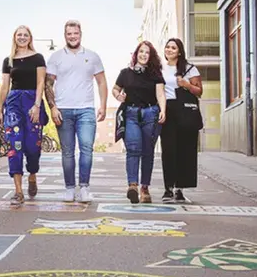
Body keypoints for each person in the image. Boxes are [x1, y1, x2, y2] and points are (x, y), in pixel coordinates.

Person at [45, 20, 108, 203]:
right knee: (67, 151)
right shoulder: (56, 57)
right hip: (63, 110)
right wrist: (53, 108)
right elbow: (48, 84)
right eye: (69, 34)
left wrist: (103, 105)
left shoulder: (92, 56)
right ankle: (70, 188)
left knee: (86, 148)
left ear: (81, 34)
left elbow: (101, 82)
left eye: (75, 33)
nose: (72, 36)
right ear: (65, 35)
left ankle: (85, 187)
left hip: (86, 110)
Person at [0, 26, 48, 205]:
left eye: (25, 35)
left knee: (33, 146)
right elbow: (5, 86)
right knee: (14, 145)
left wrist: (37, 105)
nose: (22, 37)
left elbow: (41, 82)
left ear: (30, 38)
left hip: (32, 101)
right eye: (19, 35)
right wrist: (0, 109)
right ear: (14, 37)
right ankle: (18, 191)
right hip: (13, 103)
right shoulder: (8, 60)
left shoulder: (38, 58)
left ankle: (32, 174)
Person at [112, 41, 166, 204]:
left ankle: (145, 188)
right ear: (136, 54)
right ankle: (133, 186)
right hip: (131, 114)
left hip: (151, 114)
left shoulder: (155, 74)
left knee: (148, 151)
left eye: (147, 52)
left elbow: (160, 94)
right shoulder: (125, 73)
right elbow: (115, 89)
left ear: (151, 56)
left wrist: (163, 110)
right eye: (141, 51)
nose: (144, 55)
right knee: (133, 149)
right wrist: (118, 96)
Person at [160, 38, 203, 203]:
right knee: (168, 149)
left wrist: (186, 84)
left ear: (179, 52)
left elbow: (199, 91)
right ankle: (168, 188)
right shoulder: (159, 69)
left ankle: (180, 188)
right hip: (167, 109)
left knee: (185, 149)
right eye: (167, 47)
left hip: (185, 110)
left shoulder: (190, 69)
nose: (169, 50)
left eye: (173, 47)